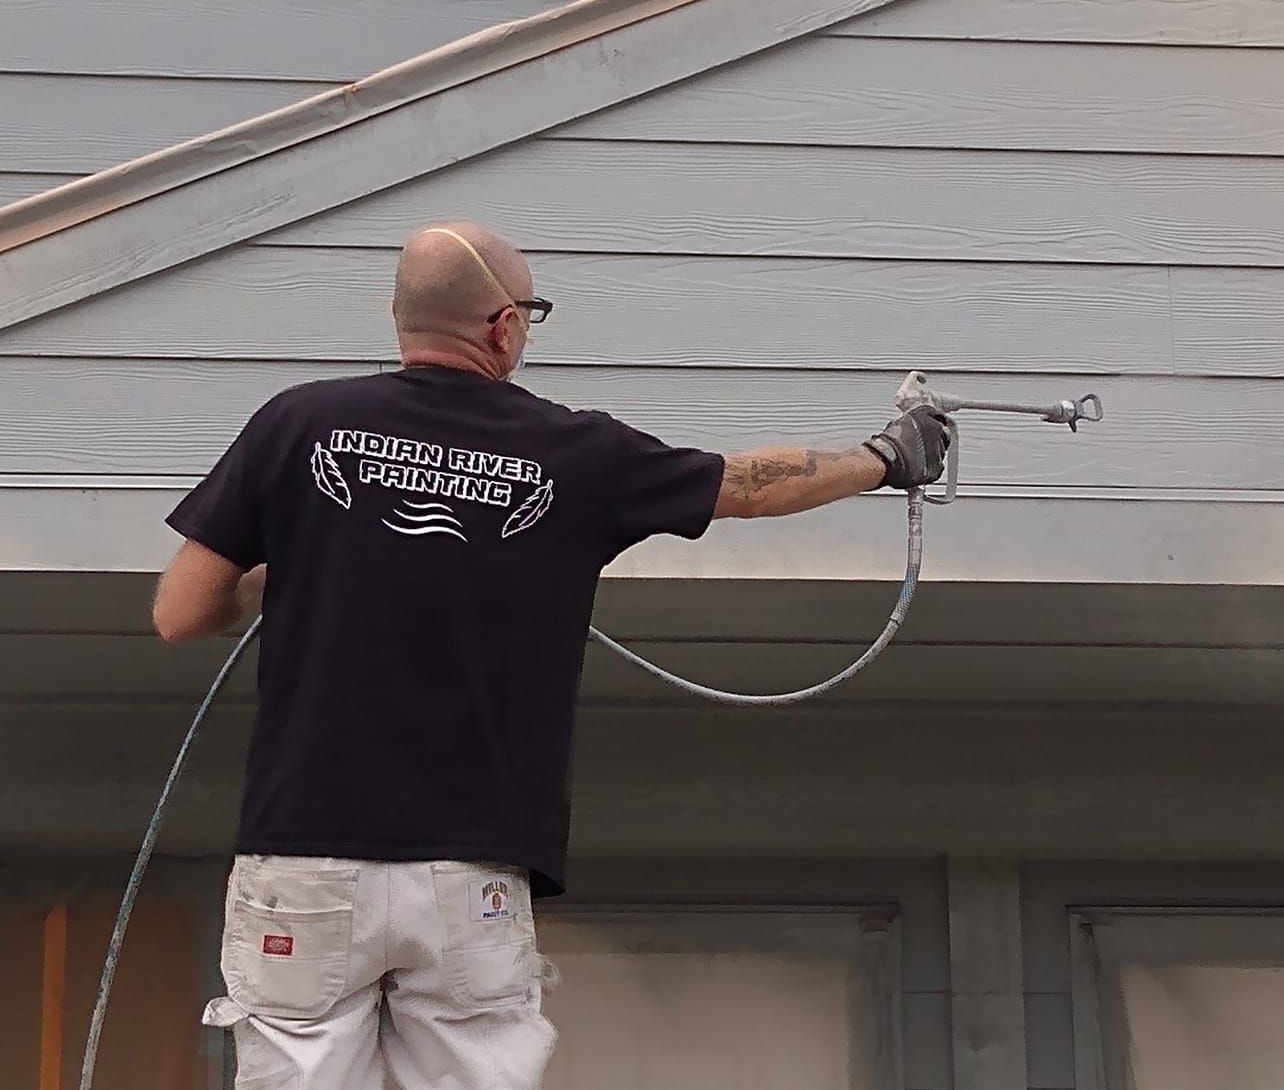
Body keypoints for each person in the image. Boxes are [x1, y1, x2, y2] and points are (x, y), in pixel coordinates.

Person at [152, 221, 950, 1090]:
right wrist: (886, 458)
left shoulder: (297, 423)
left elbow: (181, 612)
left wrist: (278, 576)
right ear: (501, 326)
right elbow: (746, 485)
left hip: (305, 861)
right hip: (469, 867)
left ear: (398, 319)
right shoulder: (576, 453)